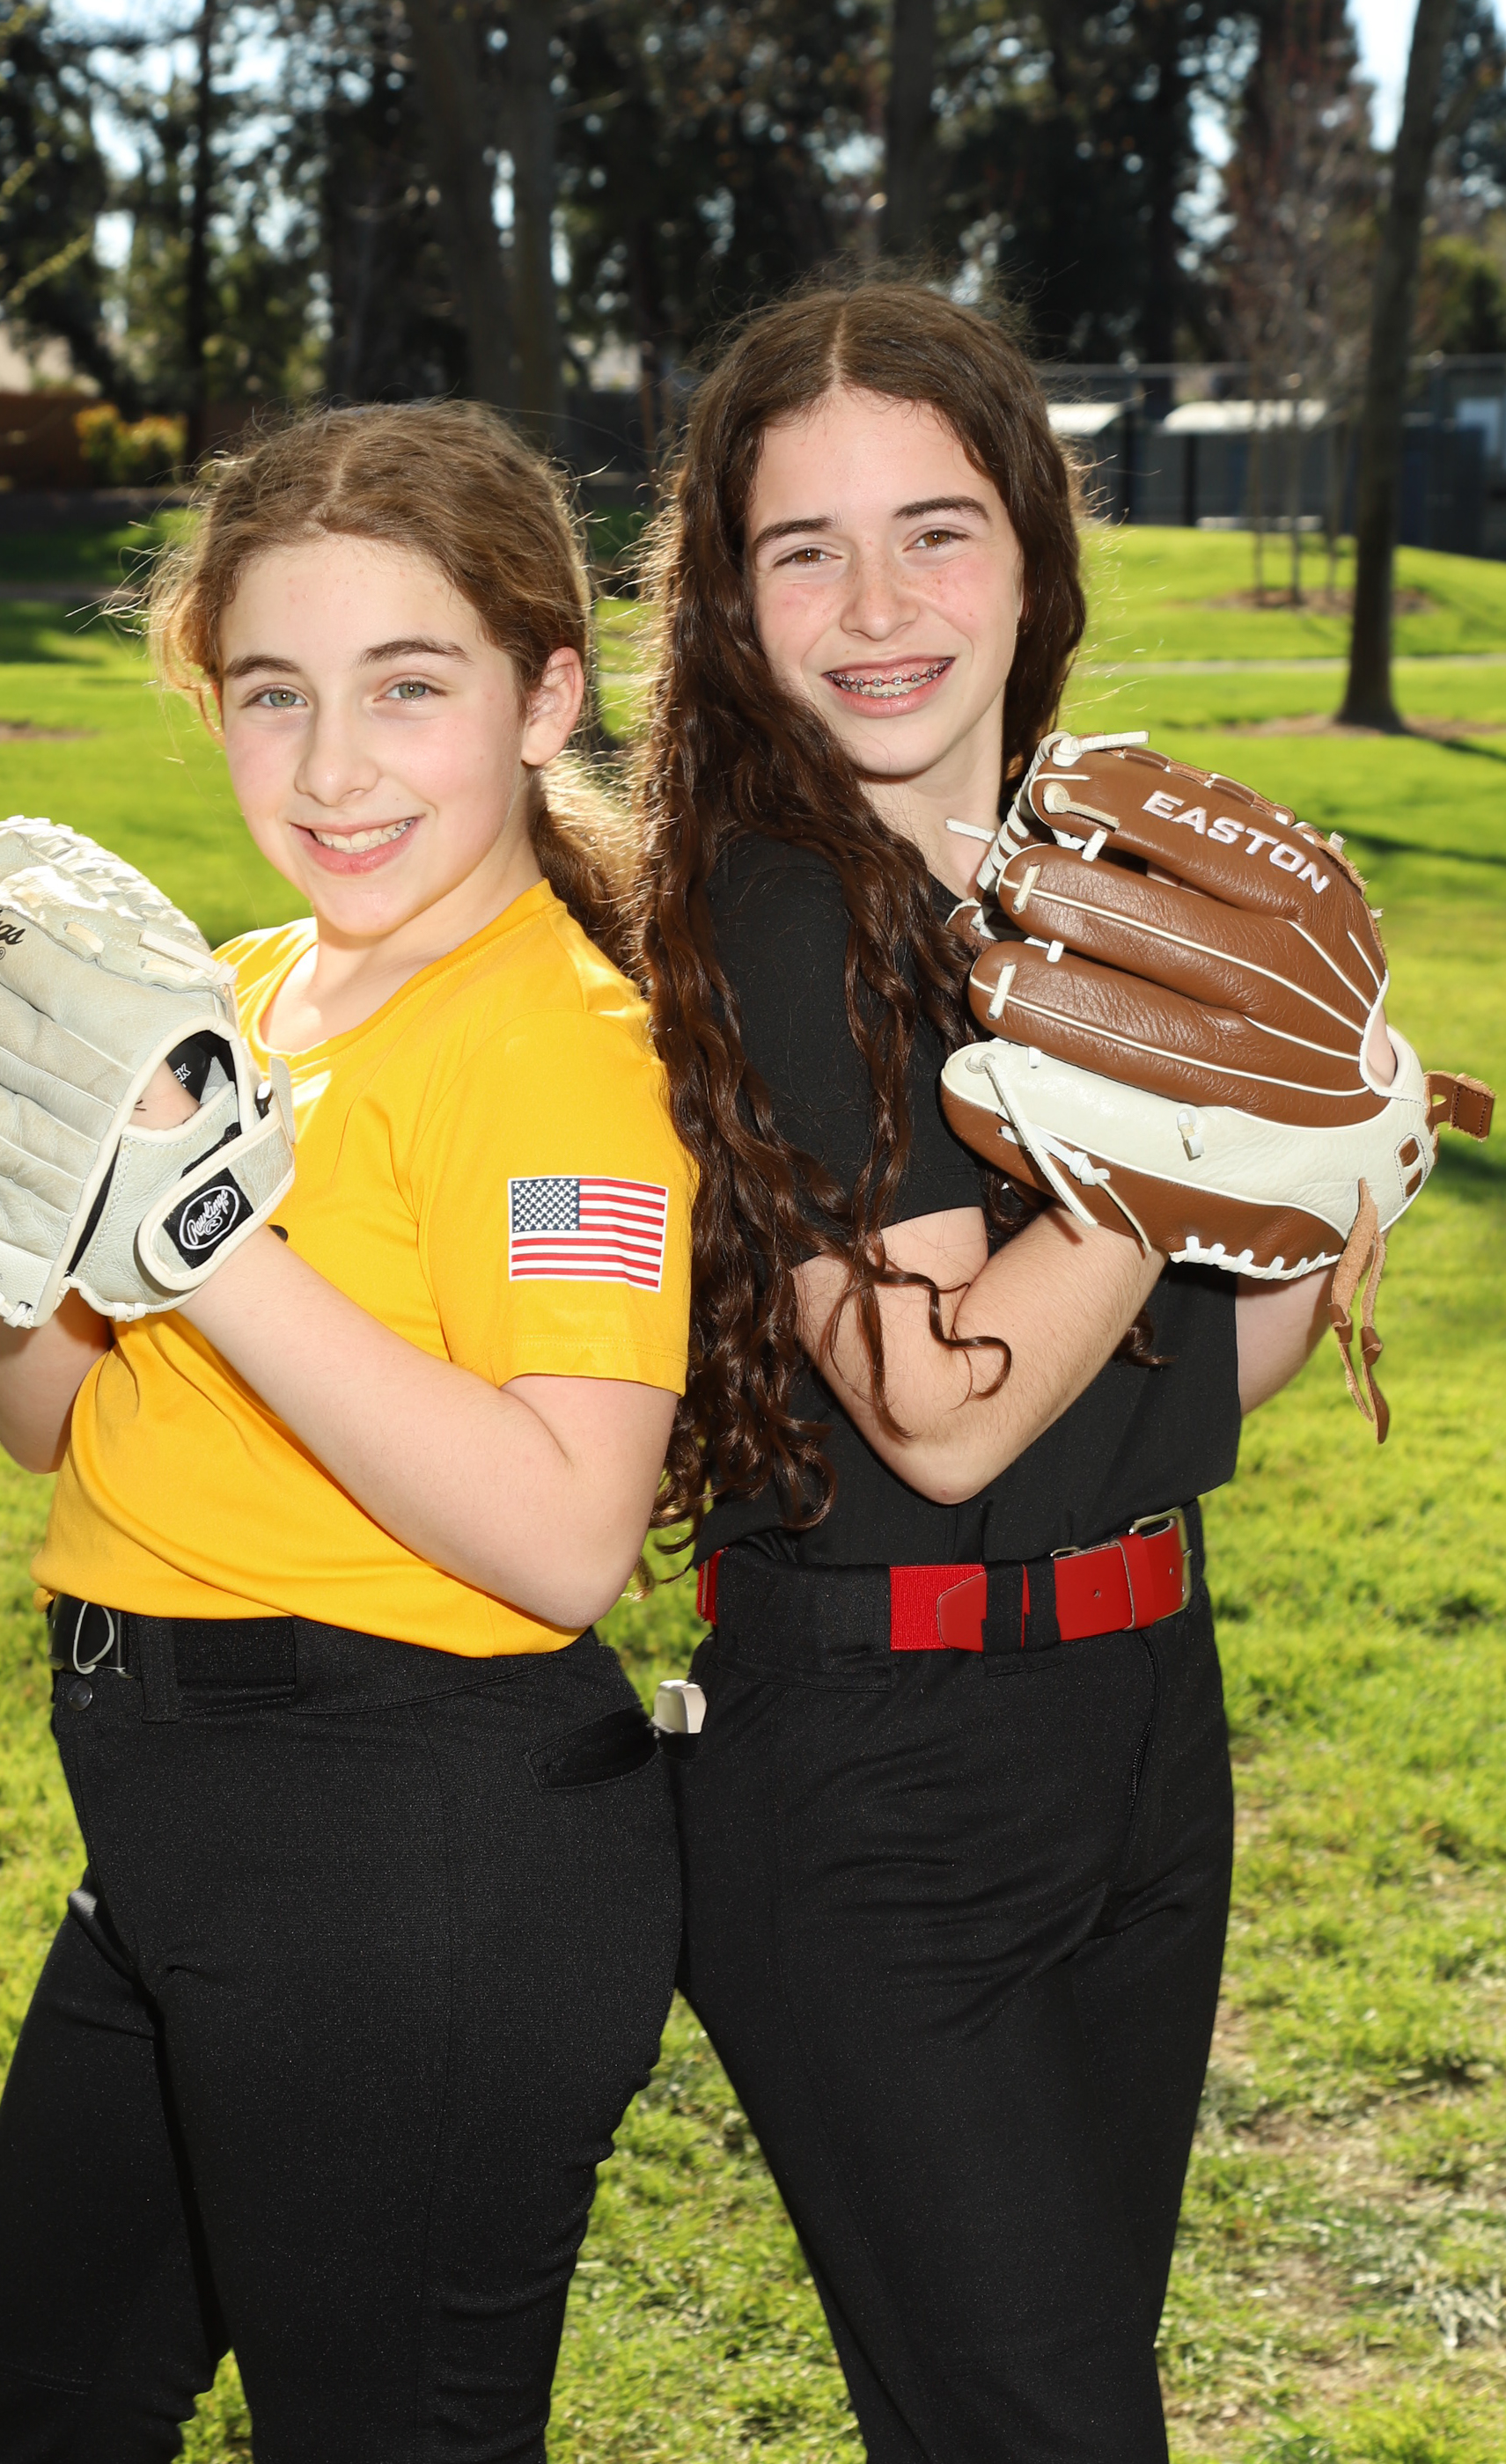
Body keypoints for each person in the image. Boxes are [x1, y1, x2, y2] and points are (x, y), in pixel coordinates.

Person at [0, 400, 690, 2464]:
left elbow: (566, 1535)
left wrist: (201, 1237)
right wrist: (30, 1227)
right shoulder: (239, 993)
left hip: (408, 1843)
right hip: (183, 1823)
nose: (332, 765)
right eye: (274, 691)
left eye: (404, 685)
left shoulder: (559, 1052)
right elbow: (44, 1418)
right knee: (27, 2405)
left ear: (546, 696)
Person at [631, 282, 1359, 2462]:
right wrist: (1179, 1129)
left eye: (935, 530)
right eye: (806, 548)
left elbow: (1190, 1386)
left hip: (1137, 1721)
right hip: (880, 1774)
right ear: (731, 599)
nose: (878, 607)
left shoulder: (1096, 899)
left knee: (1027, 2402)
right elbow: (943, 1404)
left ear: (1032, 553)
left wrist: (1335, 1173)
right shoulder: (778, 899)